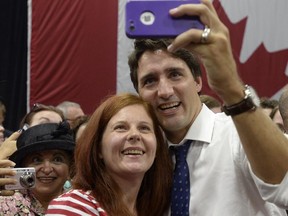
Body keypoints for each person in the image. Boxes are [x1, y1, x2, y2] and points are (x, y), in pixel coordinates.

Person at [127, 1, 288, 215]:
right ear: (139, 93)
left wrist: (231, 88)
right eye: (149, 81)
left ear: (197, 82)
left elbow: (285, 183)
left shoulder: (240, 134)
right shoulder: (140, 157)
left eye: (175, 74)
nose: (164, 91)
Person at [46, 93, 173, 216]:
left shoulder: (157, 210)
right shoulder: (73, 206)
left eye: (144, 128)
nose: (135, 134)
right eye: (121, 127)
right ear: (98, 148)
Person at [0, 122, 75, 215]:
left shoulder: (84, 204)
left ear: (70, 168)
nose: (47, 170)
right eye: (36, 160)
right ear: (23, 167)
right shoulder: (4, 204)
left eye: (57, 159)